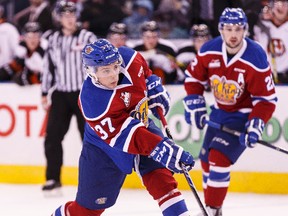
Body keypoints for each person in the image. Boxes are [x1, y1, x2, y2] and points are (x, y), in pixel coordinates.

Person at [51, 38, 195, 216]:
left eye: (115, 66)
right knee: (88, 210)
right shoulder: (92, 102)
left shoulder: (131, 57)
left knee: (161, 178)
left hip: (141, 126)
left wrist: (153, 86)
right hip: (104, 147)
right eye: (105, 70)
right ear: (91, 72)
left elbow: (146, 73)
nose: (113, 74)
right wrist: (160, 147)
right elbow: (131, 137)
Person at [183, 8, 277, 216]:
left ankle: (213, 210)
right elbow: (193, 78)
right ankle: (214, 209)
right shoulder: (209, 49)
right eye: (228, 29)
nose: (233, 34)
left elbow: (266, 100)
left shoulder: (256, 56)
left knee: (219, 158)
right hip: (218, 113)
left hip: (242, 116)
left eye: (237, 29)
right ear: (221, 29)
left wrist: (256, 123)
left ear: (245, 30)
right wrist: (194, 101)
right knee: (206, 161)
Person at [41, 0, 97, 192]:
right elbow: (48, 67)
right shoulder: (53, 39)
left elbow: (98, 64)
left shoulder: (87, 36)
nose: (70, 19)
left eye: (72, 15)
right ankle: (52, 178)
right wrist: (44, 91)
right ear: (59, 18)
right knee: (52, 137)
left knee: (89, 139)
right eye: (66, 16)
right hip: (60, 94)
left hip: (84, 94)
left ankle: (94, 178)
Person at [254, 0, 288, 84]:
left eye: (285, 3)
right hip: (263, 77)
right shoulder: (260, 26)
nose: (281, 6)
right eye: (278, 3)